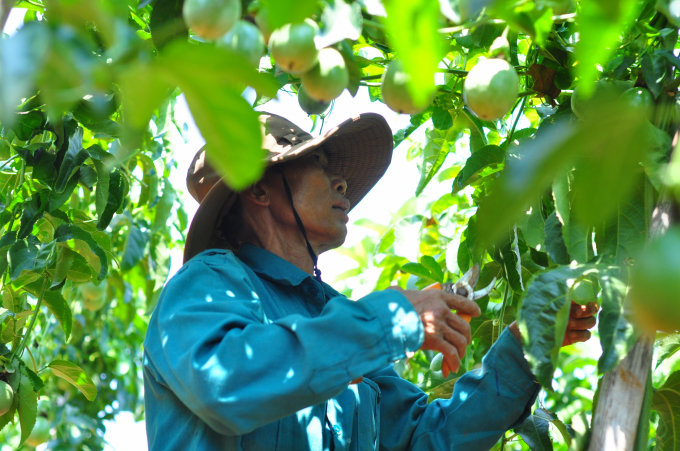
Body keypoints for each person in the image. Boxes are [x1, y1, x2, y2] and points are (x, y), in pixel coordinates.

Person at [143, 112, 598, 450]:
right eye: (316, 163)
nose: (340, 184)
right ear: (260, 189)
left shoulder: (333, 318)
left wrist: (523, 350)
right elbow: (225, 383)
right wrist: (393, 319)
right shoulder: (207, 285)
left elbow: (426, 438)